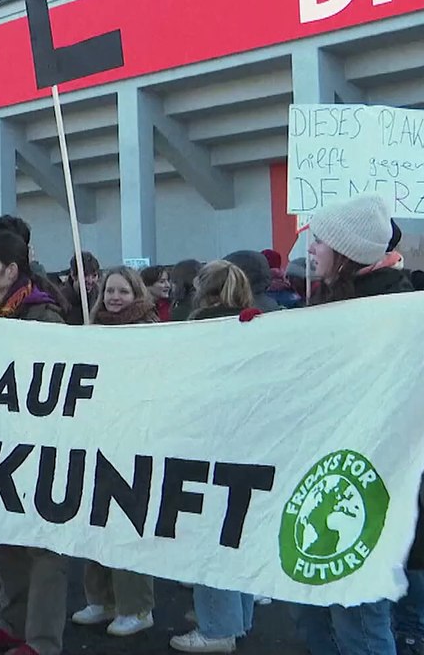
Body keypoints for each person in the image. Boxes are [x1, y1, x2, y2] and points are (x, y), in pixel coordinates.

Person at [295, 194, 413, 655]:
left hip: (362, 474)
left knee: (357, 612)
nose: (311, 248)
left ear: (345, 251)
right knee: (313, 608)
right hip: (319, 465)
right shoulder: (331, 297)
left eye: (319, 240)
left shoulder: (393, 306)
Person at [0, 231, 70, 655]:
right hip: (3, 439)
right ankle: (13, 624)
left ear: (11, 270)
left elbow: (63, 374)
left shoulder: (43, 315)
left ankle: (43, 641)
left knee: (45, 545)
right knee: (6, 534)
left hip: (44, 443)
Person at [166, 260, 259, 653]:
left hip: (209, 440)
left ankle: (218, 628)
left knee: (209, 535)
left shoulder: (202, 329)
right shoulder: (257, 325)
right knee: (237, 532)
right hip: (247, 441)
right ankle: (237, 619)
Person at [73, 267, 158, 638]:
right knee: (94, 520)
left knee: (126, 522)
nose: (114, 297)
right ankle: (101, 599)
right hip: (97, 434)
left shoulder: (154, 330)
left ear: (136, 293)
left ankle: (136, 607)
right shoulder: (93, 330)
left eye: (123, 290)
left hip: (134, 437)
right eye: (110, 290)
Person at [62, 251, 101, 325]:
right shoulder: (60, 299)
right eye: (85, 275)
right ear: (73, 275)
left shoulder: (101, 297)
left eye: (94, 275)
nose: (90, 281)